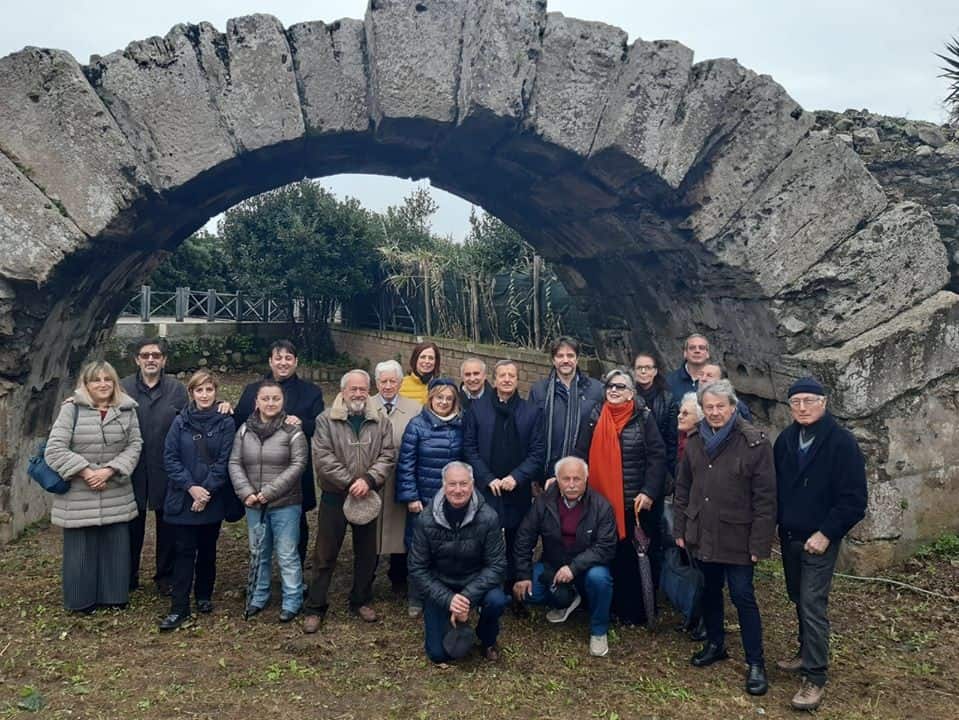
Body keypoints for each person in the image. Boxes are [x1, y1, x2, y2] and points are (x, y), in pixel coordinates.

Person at [673, 379, 776, 696]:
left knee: (743, 596)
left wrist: (760, 543)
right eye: (709, 407)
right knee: (709, 590)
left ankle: (755, 662)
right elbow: (683, 490)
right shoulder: (695, 443)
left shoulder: (755, 443)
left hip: (739, 537)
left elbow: (766, 499)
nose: (715, 412)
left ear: (733, 407)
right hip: (702, 533)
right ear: (702, 410)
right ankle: (716, 643)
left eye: (721, 406)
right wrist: (680, 529)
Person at [773, 377, 867, 712]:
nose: (802, 408)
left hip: (819, 539)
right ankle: (805, 652)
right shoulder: (785, 440)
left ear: (824, 403)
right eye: (795, 402)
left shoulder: (841, 443)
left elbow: (854, 499)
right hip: (790, 536)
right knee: (797, 596)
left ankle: (815, 677)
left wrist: (827, 533)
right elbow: (778, 489)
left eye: (809, 401)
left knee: (813, 602)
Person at [44, 361, 143, 612]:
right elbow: (54, 449)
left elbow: (135, 444)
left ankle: (114, 596)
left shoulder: (127, 409)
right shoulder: (72, 409)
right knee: (81, 550)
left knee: (115, 547)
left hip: (114, 488)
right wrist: (86, 471)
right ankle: (81, 600)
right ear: (86, 384)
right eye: (96, 380)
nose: (102, 384)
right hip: (80, 491)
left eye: (107, 379)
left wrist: (110, 470)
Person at [303, 370, 396, 632]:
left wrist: (367, 480)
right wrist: (349, 482)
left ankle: (361, 600)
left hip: (368, 494)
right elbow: (322, 458)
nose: (358, 393)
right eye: (353, 389)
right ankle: (315, 607)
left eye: (363, 389)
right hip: (336, 495)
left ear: (369, 391)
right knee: (325, 553)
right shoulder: (325, 420)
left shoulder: (381, 421)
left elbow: (388, 455)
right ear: (343, 391)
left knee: (367, 553)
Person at [574, 368, 666, 625]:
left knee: (630, 559)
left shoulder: (643, 417)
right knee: (603, 555)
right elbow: (580, 454)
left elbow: (657, 458)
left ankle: (633, 611)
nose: (613, 390)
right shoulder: (594, 416)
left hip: (632, 503)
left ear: (631, 394)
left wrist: (649, 491)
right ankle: (603, 605)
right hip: (599, 502)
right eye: (610, 386)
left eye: (620, 387)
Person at [513, 456, 616, 657]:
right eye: (565, 479)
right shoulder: (543, 503)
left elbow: (606, 547)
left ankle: (598, 630)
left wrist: (574, 568)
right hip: (553, 564)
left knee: (600, 579)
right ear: (556, 480)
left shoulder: (601, 506)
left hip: (587, 568)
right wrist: (523, 574)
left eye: (577, 479)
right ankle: (566, 599)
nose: (571, 484)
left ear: (586, 479)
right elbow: (525, 537)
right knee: (528, 593)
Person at [233, 340, 324, 564]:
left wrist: (303, 423)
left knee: (297, 524)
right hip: (258, 470)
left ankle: (296, 571)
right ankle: (259, 575)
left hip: (293, 473)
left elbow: (320, 427)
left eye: (288, 358)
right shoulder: (252, 390)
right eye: (278, 358)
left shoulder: (311, 392)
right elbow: (238, 423)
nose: (283, 363)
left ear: (296, 362)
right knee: (258, 525)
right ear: (270, 361)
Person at [407, 461, 508, 663]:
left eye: (464, 484)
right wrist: (448, 599)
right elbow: (417, 568)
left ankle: (487, 638)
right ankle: (455, 622)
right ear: (443, 485)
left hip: (476, 582)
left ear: (472, 485)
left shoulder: (489, 517)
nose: (458, 490)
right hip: (440, 584)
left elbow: (497, 565)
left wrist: (466, 597)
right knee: (438, 655)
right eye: (452, 484)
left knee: (497, 600)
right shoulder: (425, 520)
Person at [159, 370, 236, 631]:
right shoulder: (180, 421)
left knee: (207, 550)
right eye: (199, 390)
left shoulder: (225, 422)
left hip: (211, 498)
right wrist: (191, 488)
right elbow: (170, 457)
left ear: (216, 392)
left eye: (209, 390)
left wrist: (206, 491)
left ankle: (204, 594)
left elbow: (225, 461)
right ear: (191, 393)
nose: (204, 395)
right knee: (183, 552)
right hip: (184, 498)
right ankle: (179, 607)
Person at [229, 380, 309, 623]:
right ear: (257, 402)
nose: (270, 403)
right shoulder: (244, 429)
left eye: (276, 398)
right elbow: (235, 462)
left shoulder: (293, 430)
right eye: (265, 398)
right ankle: (258, 595)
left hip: (285, 503)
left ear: (283, 401)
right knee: (258, 552)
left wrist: (270, 492)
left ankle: (292, 599)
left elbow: (298, 465)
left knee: (286, 553)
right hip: (254, 503)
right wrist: (247, 492)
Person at [463, 359, 545, 592]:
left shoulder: (531, 412)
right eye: (502, 375)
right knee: (483, 536)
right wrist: (487, 478)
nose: (507, 379)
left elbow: (537, 452)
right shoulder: (477, 410)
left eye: (512, 375)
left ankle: (514, 587)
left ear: (518, 380)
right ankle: (483, 588)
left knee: (517, 538)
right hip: (486, 486)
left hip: (516, 488)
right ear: (495, 379)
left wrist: (516, 477)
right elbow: (469, 448)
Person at [121, 337, 188, 594]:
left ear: (164, 360)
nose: (151, 359)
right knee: (130, 523)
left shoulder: (177, 390)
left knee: (168, 523)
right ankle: (127, 575)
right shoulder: (123, 387)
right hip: (133, 466)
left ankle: (165, 576)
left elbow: (191, 419)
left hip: (166, 466)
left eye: (156, 355)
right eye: (146, 355)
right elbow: (98, 404)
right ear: (137, 359)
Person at [396, 377, 465, 616]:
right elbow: (405, 464)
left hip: (451, 500)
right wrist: (411, 496)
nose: (444, 402)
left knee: (446, 549)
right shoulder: (416, 425)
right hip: (422, 500)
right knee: (419, 549)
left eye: (449, 398)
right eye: (439, 397)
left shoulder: (461, 425)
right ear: (431, 399)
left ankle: (443, 595)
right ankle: (416, 597)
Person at [371, 360, 422, 595]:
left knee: (400, 529)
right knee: (370, 527)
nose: (388, 386)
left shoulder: (415, 408)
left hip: (402, 478)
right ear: (376, 382)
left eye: (393, 381)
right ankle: (367, 575)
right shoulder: (367, 406)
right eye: (383, 381)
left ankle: (398, 577)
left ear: (401, 383)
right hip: (373, 479)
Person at [529, 336, 604, 482]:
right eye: (560, 356)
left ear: (577, 359)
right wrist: (533, 477)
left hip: (583, 473)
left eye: (570, 355)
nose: (565, 360)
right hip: (546, 473)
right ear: (553, 360)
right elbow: (532, 434)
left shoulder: (596, 390)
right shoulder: (539, 391)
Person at [633, 350, 679, 479]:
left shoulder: (667, 399)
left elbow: (671, 439)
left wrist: (669, 469)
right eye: (639, 368)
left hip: (658, 462)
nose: (643, 371)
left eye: (647, 368)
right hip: (632, 461)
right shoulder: (628, 395)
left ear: (655, 371)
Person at [665, 333, 711, 400]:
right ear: (685, 353)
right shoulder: (670, 381)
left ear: (707, 354)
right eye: (692, 348)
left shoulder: (717, 381)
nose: (697, 351)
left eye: (701, 348)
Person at [399, 341, 440, 405]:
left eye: (431, 358)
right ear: (415, 359)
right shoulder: (400, 384)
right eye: (423, 357)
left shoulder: (441, 386)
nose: (427, 361)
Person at [676, 392, 703, 464]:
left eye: (685, 414)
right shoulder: (681, 437)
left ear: (699, 417)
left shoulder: (700, 445)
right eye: (680, 412)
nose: (679, 416)